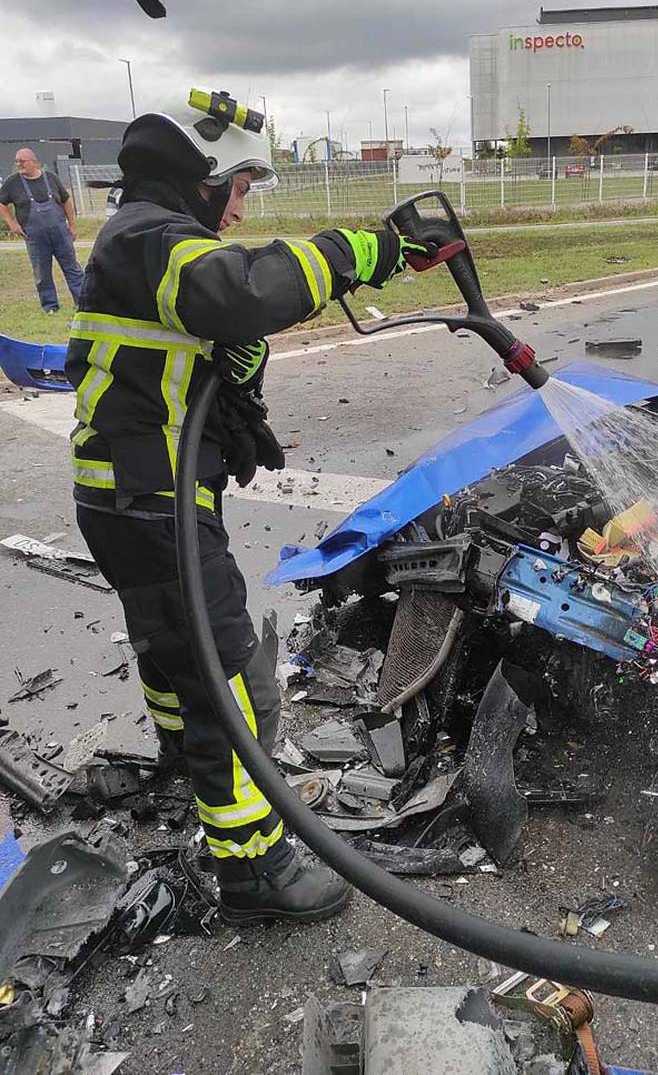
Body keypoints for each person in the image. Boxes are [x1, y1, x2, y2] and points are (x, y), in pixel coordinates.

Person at [65, 89, 435, 923]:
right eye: (235, 187)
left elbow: (184, 347)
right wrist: (363, 250)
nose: (239, 209)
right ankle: (254, 870)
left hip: (127, 496)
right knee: (236, 687)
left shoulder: (141, 239)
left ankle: (183, 761)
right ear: (197, 176)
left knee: (170, 650)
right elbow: (240, 291)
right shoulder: (154, 238)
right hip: (150, 502)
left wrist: (231, 388)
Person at [0, 148, 85, 313]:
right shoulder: (13, 182)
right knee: (42, 273)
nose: (19, 164)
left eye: (22, 161)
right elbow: (1, 204)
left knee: (72, 269)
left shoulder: (51, 178)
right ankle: (50, 307)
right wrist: (12, 224)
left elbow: (66, 201)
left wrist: (72, 225)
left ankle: (82, 303)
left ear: (34, 162)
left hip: (60, 233)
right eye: (17, 161)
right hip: (34, 236)